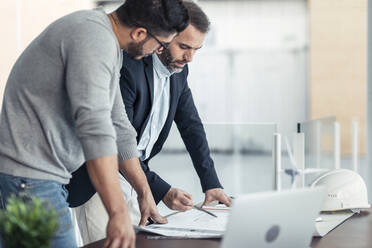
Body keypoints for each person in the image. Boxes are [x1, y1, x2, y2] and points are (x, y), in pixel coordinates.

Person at [0, 1, 189, 248]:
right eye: (161, 44)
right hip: (29, 177)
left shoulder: (105, 41)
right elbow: (95, 127)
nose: (158, 51)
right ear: (140, 33)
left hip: (37, 177)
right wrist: (118, 212)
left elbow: (118, 124)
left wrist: (144, 192)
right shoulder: (93, 39)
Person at [69, 1, 231, 244]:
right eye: (184, 46)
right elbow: (115, 140)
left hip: (137, 175)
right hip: (102, 175)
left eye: (197, 49)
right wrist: (162, 190)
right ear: (166, 36)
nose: (190, 58)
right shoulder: (127, 66)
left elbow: (191, 127)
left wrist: (211, 183)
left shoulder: (179, 71)